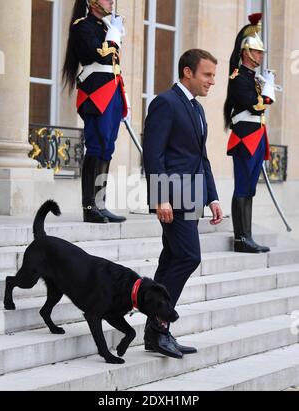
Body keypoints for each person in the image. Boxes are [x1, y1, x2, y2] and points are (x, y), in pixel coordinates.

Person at [143, 49, 223, 359]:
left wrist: (212, 196)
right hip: (172, 196)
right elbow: (153, 153)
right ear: (187, 73)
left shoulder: (197, 109)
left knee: (172, 259)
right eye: (207, 75)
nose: (212, 81)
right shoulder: (165, 102)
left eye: (214, 75)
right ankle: (159, 327)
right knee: (189, 257)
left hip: (192, 195)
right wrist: (160, 195)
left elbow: (201, 158)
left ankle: (155, 331)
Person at [63, 0, 128, 224]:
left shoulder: (103, 27)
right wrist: (114, 34)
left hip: (112, 92)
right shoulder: (83, 25)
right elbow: (99, 55)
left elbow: (114, 66)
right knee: (97, 146)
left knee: (107, 148)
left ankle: (100, 204)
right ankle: (89, 206)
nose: (111, 1)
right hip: (96, 93)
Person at [224, 14, 277, 253]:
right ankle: (240, 238)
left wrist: (265, 87)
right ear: (246, 52)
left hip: (256, 136)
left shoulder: (252, 79)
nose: (260, 56)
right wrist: (267, 92)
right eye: (257, 52)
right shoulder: (238, 78)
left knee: (250, 190)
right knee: (243, 187)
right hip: (246, 137)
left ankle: (247, 235)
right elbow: (255, 104)